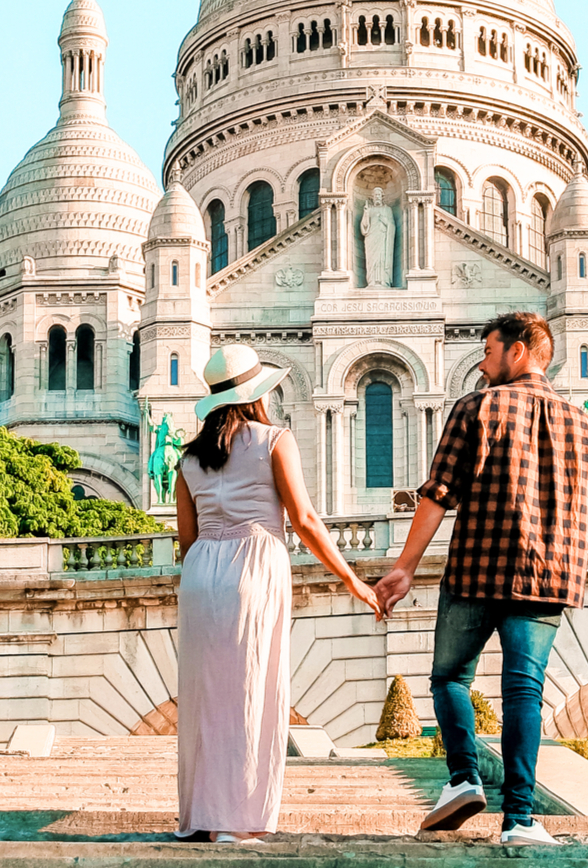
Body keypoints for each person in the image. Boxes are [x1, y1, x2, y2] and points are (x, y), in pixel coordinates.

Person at [374, 312, 588, 846]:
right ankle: (521, 820)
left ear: (520, 351)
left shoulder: (476, 408)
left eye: (488, 352)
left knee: (450, 679)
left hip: (476, 572)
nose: (482, 363)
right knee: (523, 691)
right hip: (547, 582)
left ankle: (463, 779)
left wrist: (404, 567)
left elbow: (438, 494)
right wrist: (558, 549)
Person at [173, 345, 383, 844]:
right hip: (255, 564)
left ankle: (204, 814)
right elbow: (306, 520)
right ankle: (238, 821)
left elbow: (187, 540)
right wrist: (352, 580)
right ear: (259, 394)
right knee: (253, 691)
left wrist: (210, 567)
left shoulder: (188, 458)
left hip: (202, 573)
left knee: (205, 698)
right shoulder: (274, 440)